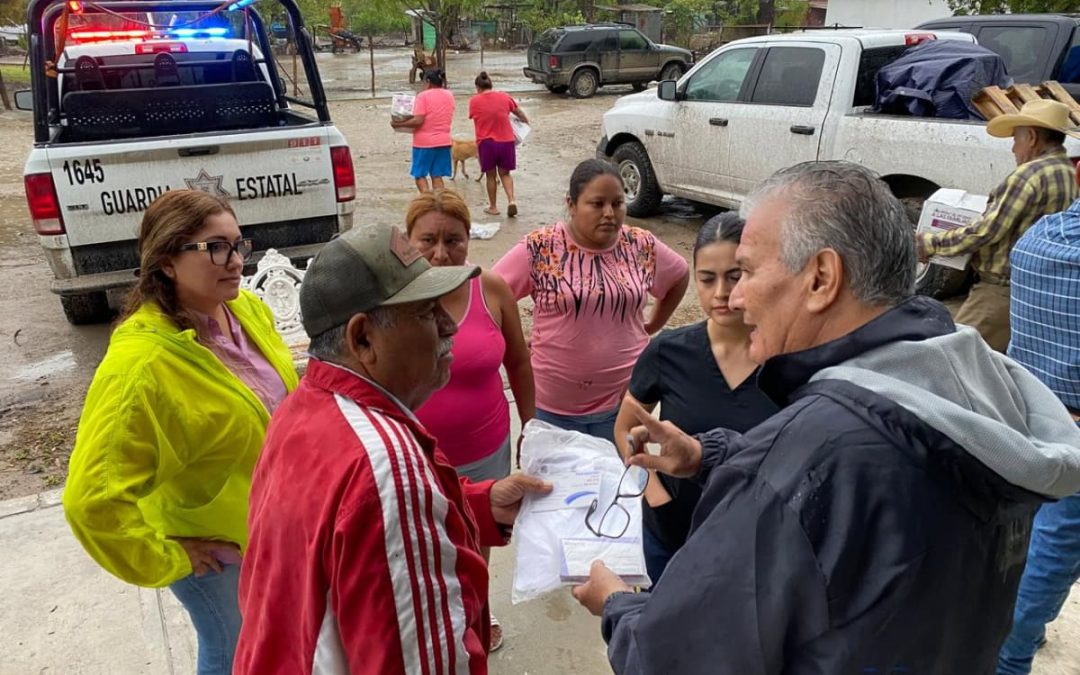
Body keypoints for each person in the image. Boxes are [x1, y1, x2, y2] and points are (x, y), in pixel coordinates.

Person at [571, 161, 1080, 674]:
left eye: (746, 270)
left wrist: (617, 604)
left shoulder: (798, 463)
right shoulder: (965, 386)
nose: (736, 296)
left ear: (821, 277)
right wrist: (709, 453)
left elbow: (676, 660)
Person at [233, 223, 551, 675]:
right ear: (363, 338)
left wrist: (478, 504)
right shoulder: (384, 466)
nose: (448, 326)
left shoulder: (305, 407)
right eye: (425, 312)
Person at [62, 190, 299, 675]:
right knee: (233, 649)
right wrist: (167, 558)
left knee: (271, 642)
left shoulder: (243, 312)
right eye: (216, 248)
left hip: (266, 528)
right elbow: (91, 501)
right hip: (214, 549)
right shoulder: (140, 366)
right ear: (167, 261)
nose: (235, 262)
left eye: (239, 245)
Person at [613, 213, 777, 583]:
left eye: (735, 276)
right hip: (670, 537)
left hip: (755, 546)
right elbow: (624, 427)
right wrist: (654, 493)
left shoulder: (786, 361)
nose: (721, 292)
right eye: (707, 279)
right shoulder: (668, 352)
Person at [407, 189, 536, 651]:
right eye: (428, 240)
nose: (441, 253)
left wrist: (532, 427)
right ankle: (437, 611)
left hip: (485, 447)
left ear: (469, 240)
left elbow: (519, 363)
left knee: (477, 534)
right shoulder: (394, 299)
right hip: (416, 456)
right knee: (422, 542)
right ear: (407, 241)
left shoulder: (492, 289)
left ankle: (476, 606)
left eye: (453, 240)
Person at [493, 159, 689, 443]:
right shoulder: (541, 248)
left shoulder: (640, 245)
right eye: (597, 204)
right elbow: (489, 295)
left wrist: (652, 325)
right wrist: (514, 342)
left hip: (625, 403)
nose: (609, 213)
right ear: (571, 204)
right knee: (558, 484)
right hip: (552, 407)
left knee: (618, 481)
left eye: (618, 203)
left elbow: (679, 275)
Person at [917, 99, 1080, 352]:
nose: (1013, 148)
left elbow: (985, 231)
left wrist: (930, 243)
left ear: (1033, 138)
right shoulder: (1067, 171)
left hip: (1000, 290)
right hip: (1039, 286)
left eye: (1016, 139)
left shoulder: (1027, 176)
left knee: (951, 356)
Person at [997, 201, 1080, 675]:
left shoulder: (1040, 238)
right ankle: (1011, 657)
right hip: (1068, 429)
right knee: (1051, 553)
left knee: (1029, 540)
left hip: (1027, 413)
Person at [468, 71, 529, 217]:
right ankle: (511, 200)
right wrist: (525, 121)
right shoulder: (504, 96)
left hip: (486, 143)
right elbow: (518, 112)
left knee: (490, 176)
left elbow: (474, 117)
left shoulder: (474, 101)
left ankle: (493, 207)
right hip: (506, 142)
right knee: (505, 174)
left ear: (478, 87)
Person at [392, 68, 455, 193]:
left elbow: (418, 120)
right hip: (444, 141)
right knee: (437, 175)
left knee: (420, 175)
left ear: (428, 81)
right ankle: (439, 204)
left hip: (424, 143)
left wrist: (398, 123)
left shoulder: (422, 96)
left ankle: (426, 201)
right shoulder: (449, 95)